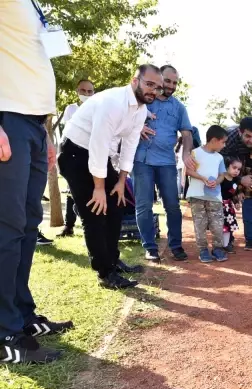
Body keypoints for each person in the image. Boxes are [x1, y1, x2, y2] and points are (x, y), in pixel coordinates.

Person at [1, 0, 74, 364]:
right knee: (8, 226)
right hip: (7, 117)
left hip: (31, 122)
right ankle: (4, 333)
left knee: (29, 225)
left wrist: (44, 131)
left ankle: (21, 317)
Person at [59, 64, 162, 290]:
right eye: (149, 84)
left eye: (158, 87)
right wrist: (98, 187)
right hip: (75, 153)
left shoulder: (141, 110)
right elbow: (98, 142)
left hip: (99, 155)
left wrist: (121, 180)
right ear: (135, 81)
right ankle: (105, 274)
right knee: (95, 212)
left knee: (115, 206)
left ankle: (113, 261)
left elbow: (130, 145)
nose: (153, 91)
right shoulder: (113, 102)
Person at [133, 65, 193, 262]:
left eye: (175, 83)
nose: (171, 86)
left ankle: (176, 245)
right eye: (168, 81)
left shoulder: (179, 108)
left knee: (173, 206)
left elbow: (186, 133)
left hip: (167, 162)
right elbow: (126, 119)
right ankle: (150, 248)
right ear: (160, 80)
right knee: (144, 206)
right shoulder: (143, 100)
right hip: (142, 161)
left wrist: (186, 155)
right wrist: (138, 126)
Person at [220, 117, 252, 244]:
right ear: (239, 132)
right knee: (227, 200)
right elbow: (221, 163)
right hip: (232, 168)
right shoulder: (229, 137)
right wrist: (239, 179)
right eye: (248, 136)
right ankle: (228, 236)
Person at [185, 125, 228, 263]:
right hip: (197, 196)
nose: (224, 145)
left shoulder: (220, 157)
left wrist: (217, 181)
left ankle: (218, 248)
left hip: (214, 196)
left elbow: (222, 175)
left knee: (217, 224)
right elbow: (188, 171)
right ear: (214, 140)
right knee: (200, 224)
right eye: (223, 142)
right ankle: (203, 250)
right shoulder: (195, 153)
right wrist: (202, 178)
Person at [58, 79, 96, 238]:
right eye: (83, 91)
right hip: (73, 154)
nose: (86, 94)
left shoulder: (98, 109)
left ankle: (90, 224)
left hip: (92, 154)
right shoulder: (71, 109)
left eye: (90, 91)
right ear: (77, 91)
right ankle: (69, 225)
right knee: (72, 191)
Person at [219, 156, 243, 254]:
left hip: (228, 206)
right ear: (227, 166)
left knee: (228, 227)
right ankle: (218, 245)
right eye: (234, 167)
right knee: (219, 227)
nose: (236, 171)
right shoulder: (221, 177)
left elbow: (233, 193)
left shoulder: (235, 180)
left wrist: (236, 202)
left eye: (239, 169)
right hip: (219, 205)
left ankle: (226, 245)